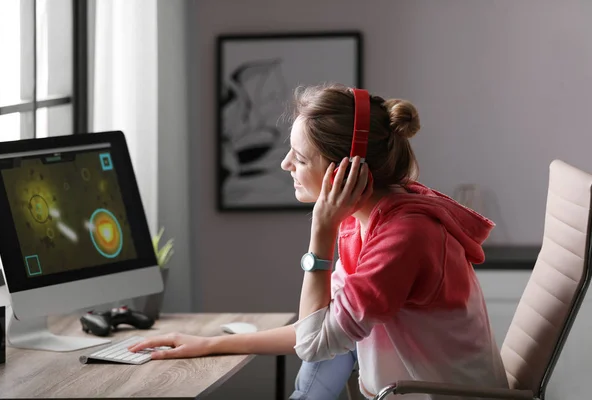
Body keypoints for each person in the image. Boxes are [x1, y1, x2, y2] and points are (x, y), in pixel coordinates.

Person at [129, 83, 509, 399]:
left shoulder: (404, 237)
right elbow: (320, 331)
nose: (285, 165)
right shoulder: (365, 221)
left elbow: (314, 343)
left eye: (300, 157)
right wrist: (208, 343)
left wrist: (320, 232)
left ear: (344, 170)